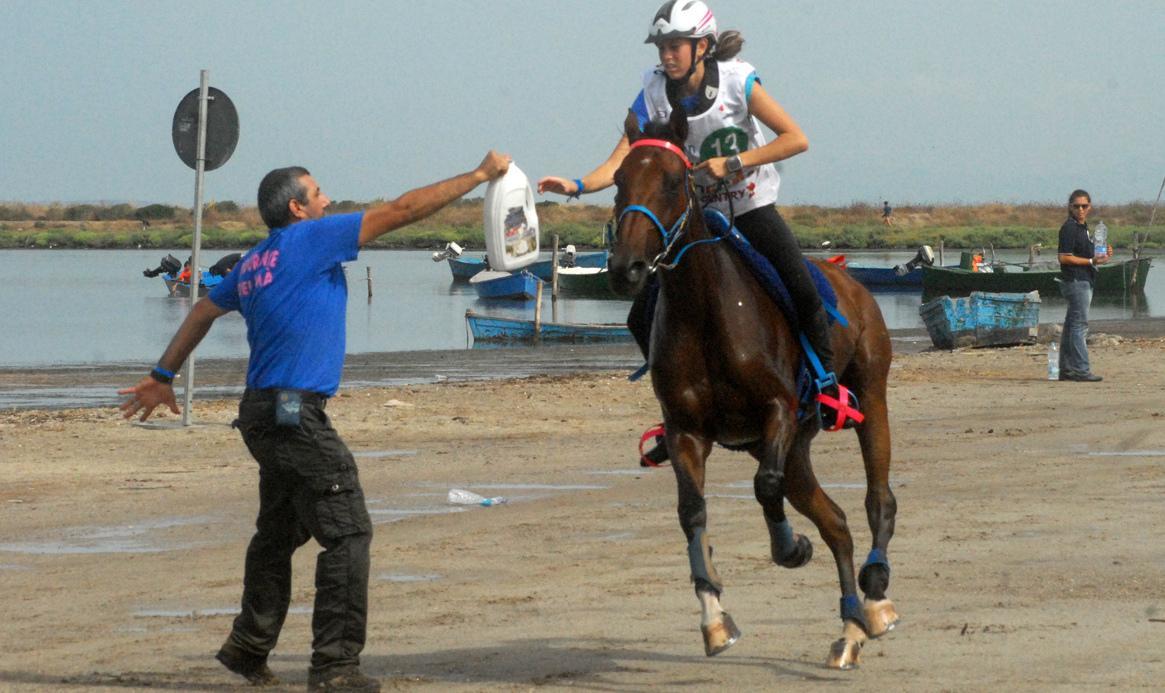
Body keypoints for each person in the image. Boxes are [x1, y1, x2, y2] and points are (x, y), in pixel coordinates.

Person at [119, 151, 510, 691]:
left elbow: (205, 308)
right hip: (292, 414)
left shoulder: (255, 260)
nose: (329, 200)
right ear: (299, 209)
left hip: (260, 414)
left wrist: (164, 373)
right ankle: (334, 668)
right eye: (320, 193)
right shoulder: (314, 239)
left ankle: (247, 648)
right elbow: (403, 209)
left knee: (277, 534)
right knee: (348, 533)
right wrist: (479, 176)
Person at [538, 0, 856, 457]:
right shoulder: (651, 92)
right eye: (661, 47)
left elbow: (796, 138)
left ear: (701, 46)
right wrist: (577, 185)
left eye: (674, 46)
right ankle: (678, 413)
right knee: (642, 310)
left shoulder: (737, 81)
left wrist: (734, 162)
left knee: (801, 287)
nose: (666, 55)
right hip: (695, 216)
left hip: (750, 205)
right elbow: (625, 155)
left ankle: (825, 388)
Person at [1057, 189, 1110, 382]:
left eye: (1084, 206)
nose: (1081, 209)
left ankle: (1066, 369)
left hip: (1083, 280)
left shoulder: (1083, 228)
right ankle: (1081, 369)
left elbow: (1089, 255)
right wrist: (1090, 262)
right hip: (1076, 281)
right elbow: (1064, 257)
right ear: (1070, 206)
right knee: (1079, 326)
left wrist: (1100, 256)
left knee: (1071, 326)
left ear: (1090, 207)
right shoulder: (1069, 228)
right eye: (1077, 206)